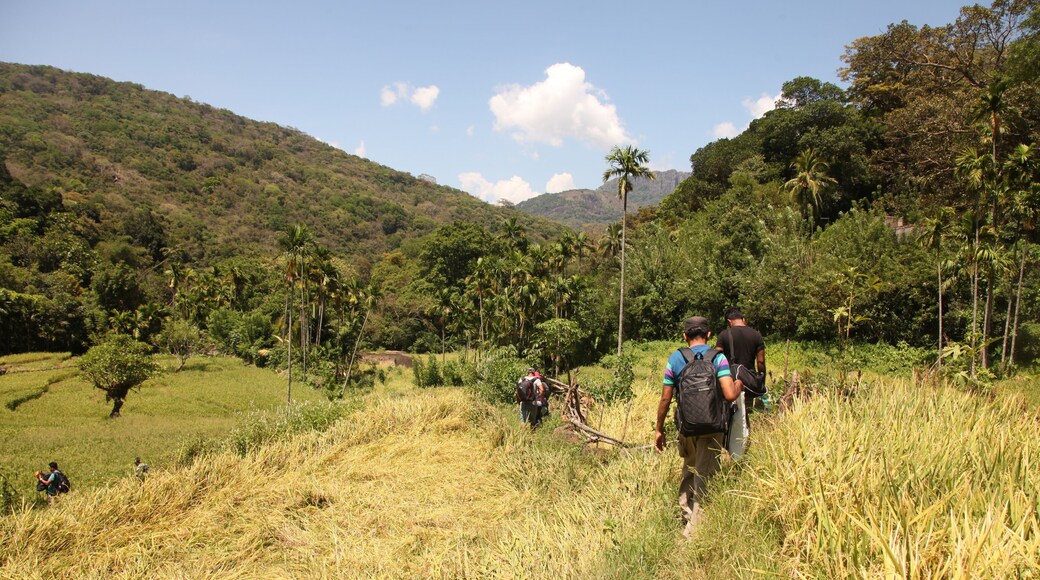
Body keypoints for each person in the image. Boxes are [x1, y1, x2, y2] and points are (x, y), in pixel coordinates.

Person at [655, 316, 741, 537]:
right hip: (713, 427)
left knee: (689, 469)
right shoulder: (718, 358)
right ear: (709, 335)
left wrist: (659, 429)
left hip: (687, 427)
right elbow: (730, 394)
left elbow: (665, 399)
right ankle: (694, 531)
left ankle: (686, 515)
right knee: (705, 473)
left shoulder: (675, 358)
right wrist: (739, 383)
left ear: (685, 336)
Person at [716, 307, 767, 408]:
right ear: (743, 318)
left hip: (730, 379)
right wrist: (762, 379)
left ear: (729, 321)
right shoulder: (756, 335)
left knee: (731, 410)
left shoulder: (724, 334)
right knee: (747, 409)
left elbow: (717, 356)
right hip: (749, 378)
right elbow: (760, 361)